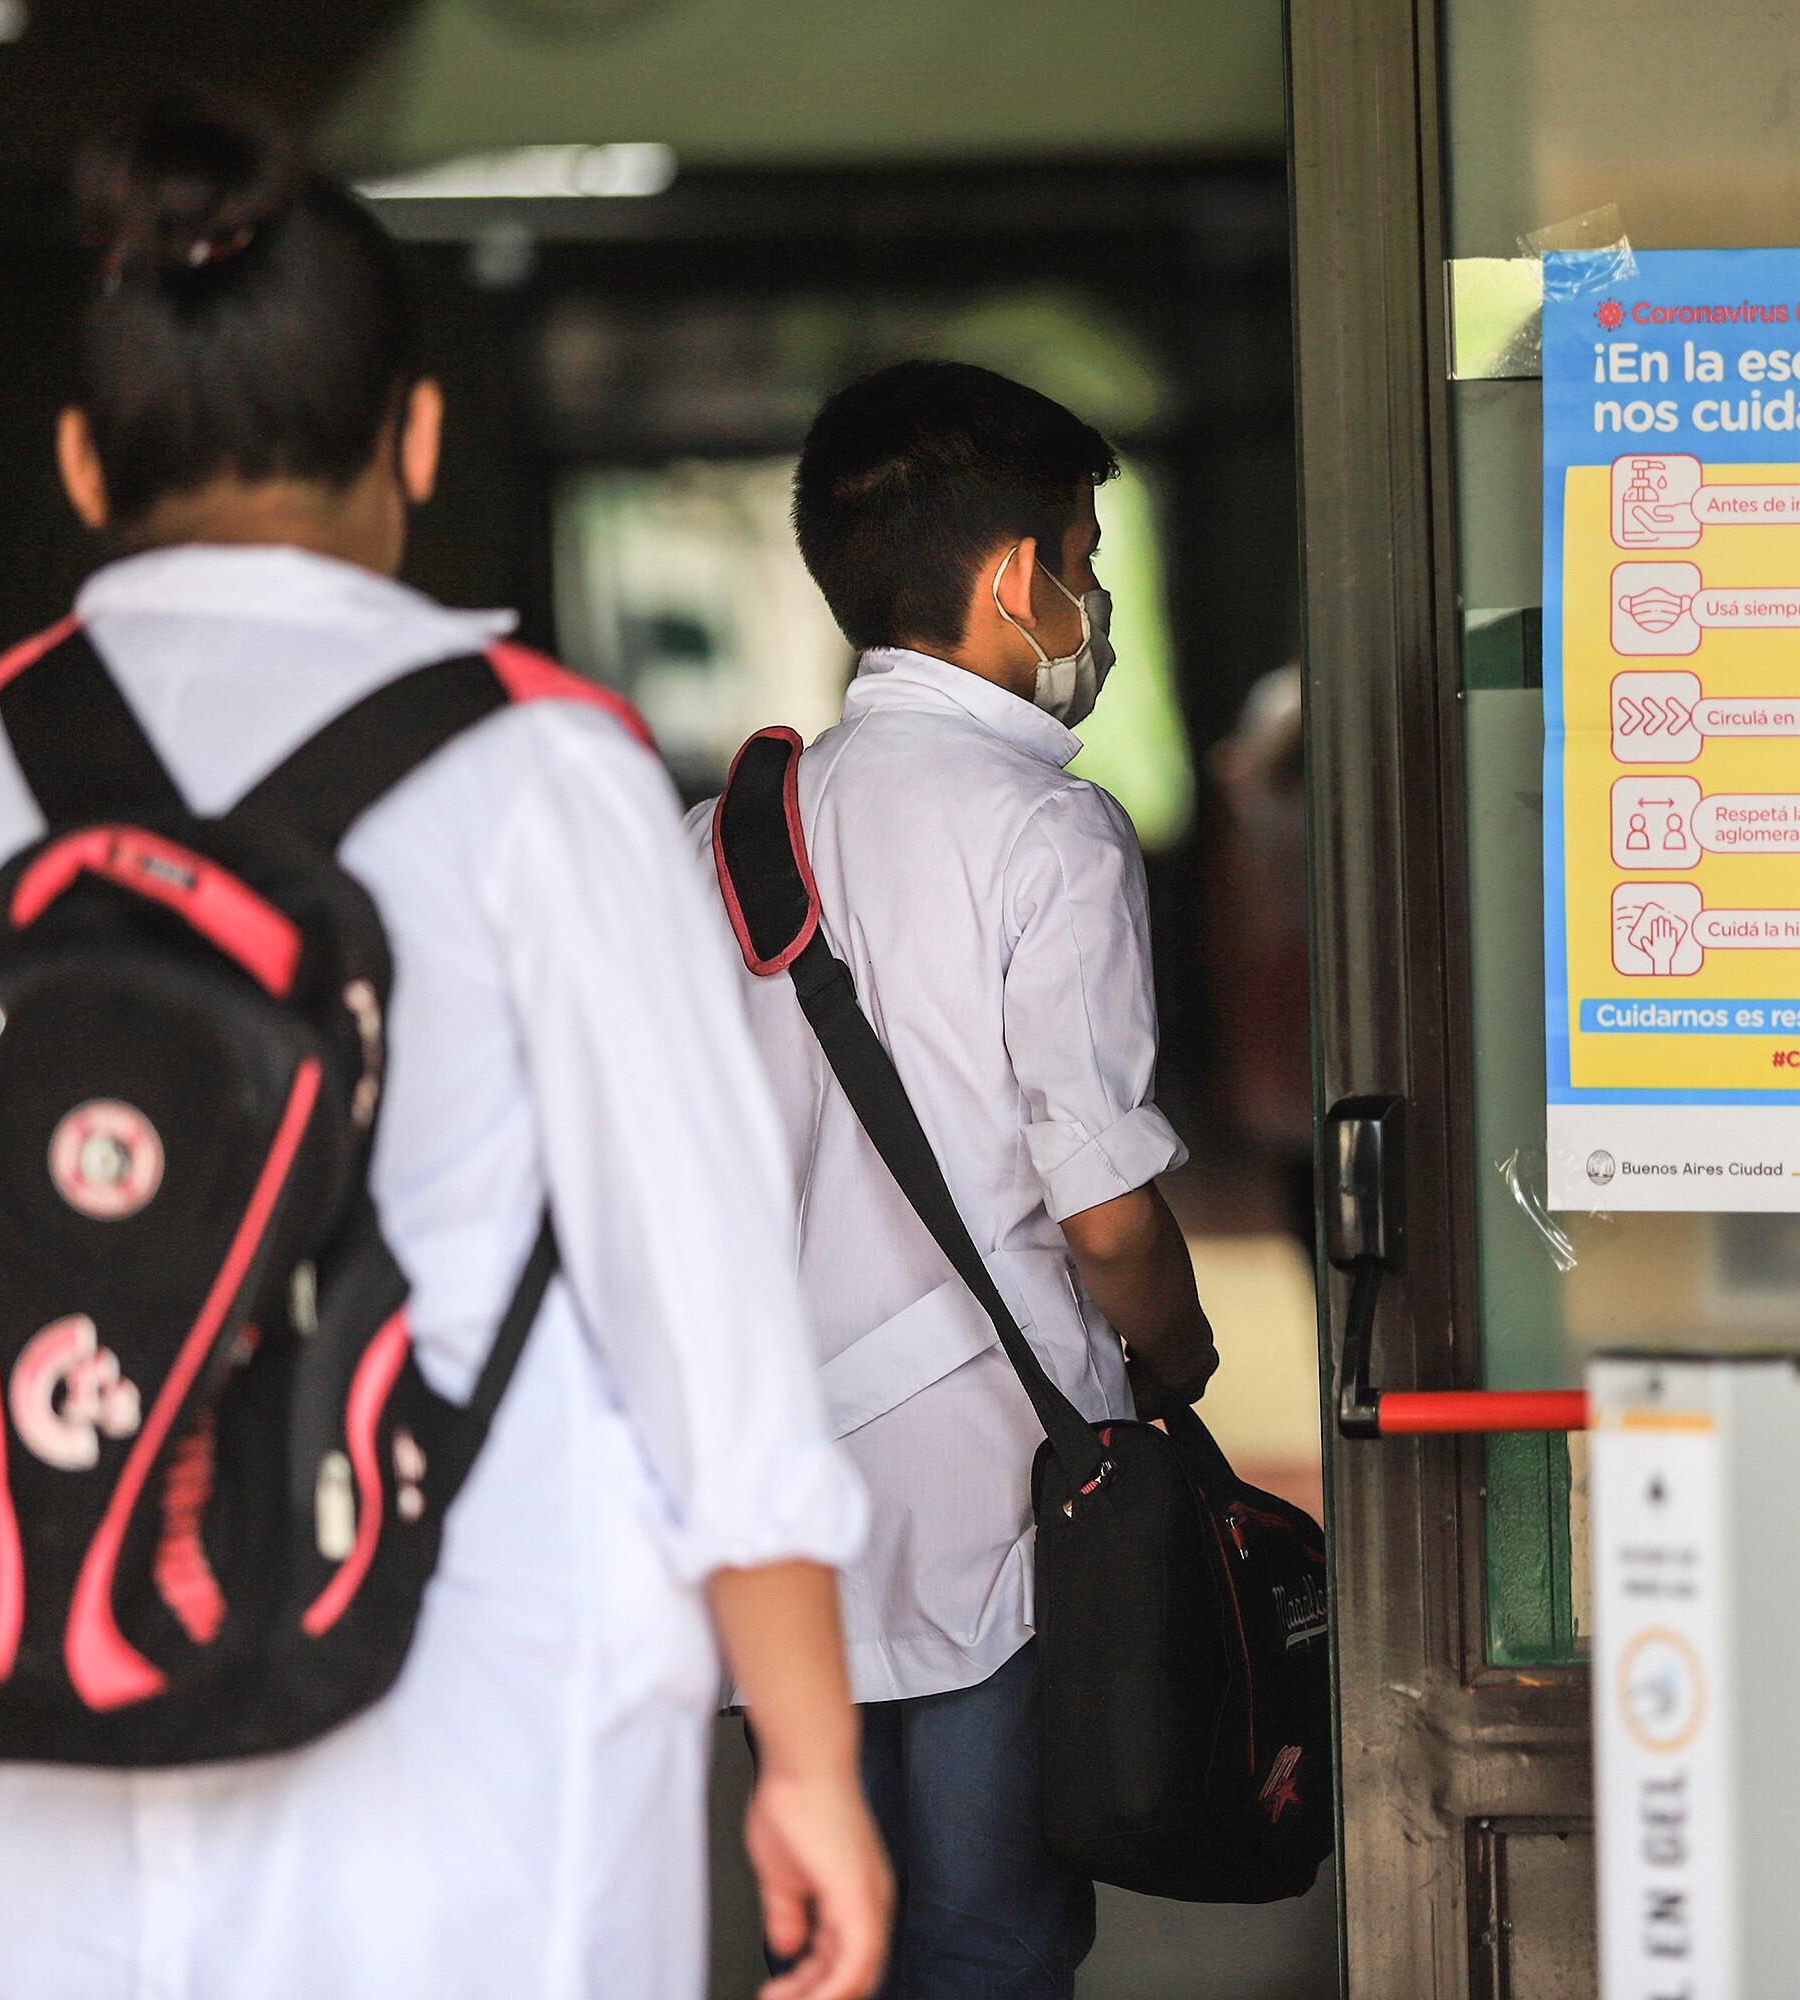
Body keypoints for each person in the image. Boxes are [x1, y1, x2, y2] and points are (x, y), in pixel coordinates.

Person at [0, 101, 889, 2000]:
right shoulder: (539, 774)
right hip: (474, 1753)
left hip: (36, 1744)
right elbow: (707, 1318)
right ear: (417, 437)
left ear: (85, 459)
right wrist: (816, 1763)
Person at [689, 361, 1222, 1999]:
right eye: (1084, 552)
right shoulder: (1048, 836)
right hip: (1003, 1495)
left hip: (782, 1507)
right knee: (987, 1938)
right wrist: (1180, 1348)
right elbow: (1108, 1210)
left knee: (827, 1934)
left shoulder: (727, 832)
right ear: (1014, 582)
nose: (1095, 598)